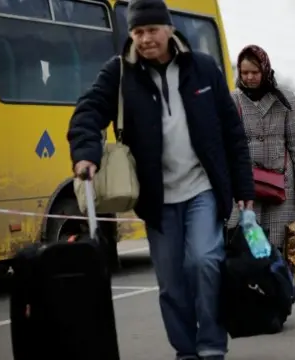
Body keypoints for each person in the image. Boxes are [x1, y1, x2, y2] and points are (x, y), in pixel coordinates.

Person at [66, 1, 254, 359]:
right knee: (171, 283)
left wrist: (243, 187)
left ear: (168, 29)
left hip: (202, 188)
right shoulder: (120, 72)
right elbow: (88, 111)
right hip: (157, 196)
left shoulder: (203, 68)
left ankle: (212, 346)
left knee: (205, 261)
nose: (145, 39)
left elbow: (232, 130)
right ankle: (186, 351)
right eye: (137, 32)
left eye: (151, 30)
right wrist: (85, 153)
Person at [228, 44, 295, 250]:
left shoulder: (285, 98)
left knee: (279, 244)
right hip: (245, 183)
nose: (249, 77)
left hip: (281, 182)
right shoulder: (232, 99)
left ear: (265, 69)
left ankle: (278, 281)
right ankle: (252, 282)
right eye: (245, 72)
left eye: (255, 72)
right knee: (248, 244)